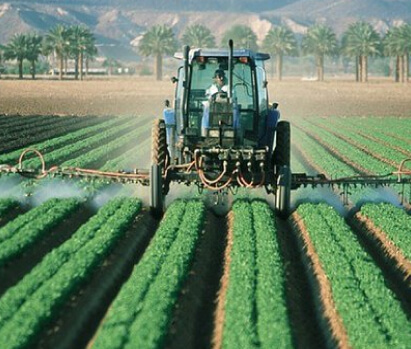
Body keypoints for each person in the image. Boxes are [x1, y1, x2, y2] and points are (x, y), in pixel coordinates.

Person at [202, 69, 229, 136]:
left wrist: (223, 100)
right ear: (215, 78)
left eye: (222, 76)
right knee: (206, 108)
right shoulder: (211, 89)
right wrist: (212, 100)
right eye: (219, 77)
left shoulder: (229, 88)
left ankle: (235, 130)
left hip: (226, 109)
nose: (221, 79)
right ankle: (205, 132)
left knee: (235, 109)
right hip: (213, 109)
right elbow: (207, 98)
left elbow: (233, 99)